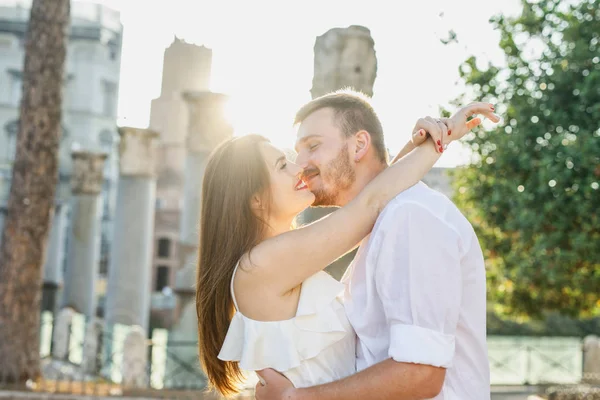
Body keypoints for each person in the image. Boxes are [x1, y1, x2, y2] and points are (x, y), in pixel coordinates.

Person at [195, 90, 498, 398]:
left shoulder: (402, 217)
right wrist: (439, 139)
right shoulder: (262, 264)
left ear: (359, 145)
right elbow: (371, 201)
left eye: (311, 146)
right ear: (255, 199)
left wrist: (427, 141)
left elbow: (376, 197)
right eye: (282, 164)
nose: (299, 166)